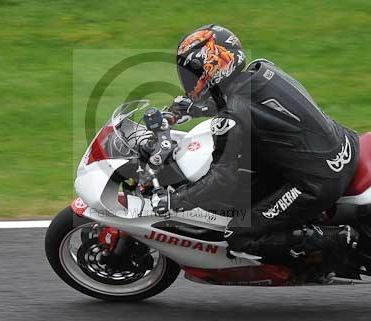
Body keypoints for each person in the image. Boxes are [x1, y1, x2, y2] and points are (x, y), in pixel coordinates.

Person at [150, 24, 359, 268]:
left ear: (213, 67)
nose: (189, 80)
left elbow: (221, 180)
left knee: (239, 235)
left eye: (193, 73)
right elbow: (235, 104)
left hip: (316, 182)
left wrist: (175, 201)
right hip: (341, 146)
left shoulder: (232, 117)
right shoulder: (261, 70)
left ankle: (338, 239)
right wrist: (179, 112)